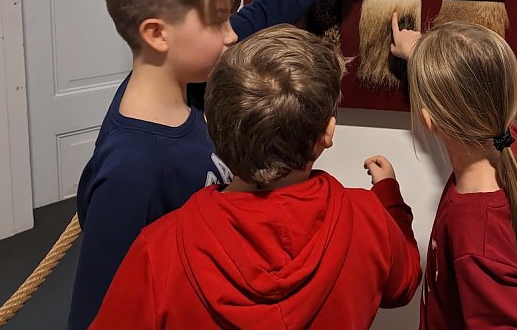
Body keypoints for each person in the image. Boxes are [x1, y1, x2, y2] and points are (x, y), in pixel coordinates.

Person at [68, 0, 395, 330]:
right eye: (217, 22)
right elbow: (100, 310)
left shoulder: (194, 80)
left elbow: (264, 13)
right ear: (157, 34)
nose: (232, 35)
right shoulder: (130, 171)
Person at [90, 24, 421, 328]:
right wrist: (389, 199)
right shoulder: (368, 218)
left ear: (211, 124)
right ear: (327, 133)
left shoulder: (159, 250)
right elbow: (403, 284)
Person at [391, 16, 517, 329]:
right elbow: (477, 88)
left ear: (429, 120)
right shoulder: (509, 148)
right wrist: (420, 53)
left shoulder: (474, 240)